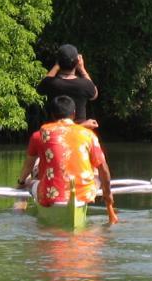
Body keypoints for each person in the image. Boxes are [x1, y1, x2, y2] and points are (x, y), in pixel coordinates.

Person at [19, 93, 117, 222]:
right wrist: (107, 194)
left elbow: (28, 166)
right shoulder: (89, 135)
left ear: (52, 115)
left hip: (50, 195)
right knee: (97, 173)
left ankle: (22, 201)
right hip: (82, 195)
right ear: (74, 113)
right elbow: (104, 168)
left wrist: (21, 182)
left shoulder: (38, 135)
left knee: (29, 182)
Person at [37, 44, 98, 123]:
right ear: (77, 62)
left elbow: (40, 89)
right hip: (78, 132)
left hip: (55, 131)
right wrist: (82, 69)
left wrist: (56, 65)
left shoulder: (51, 83)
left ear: (58, 61)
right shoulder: (85, 84)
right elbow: (94, 95)